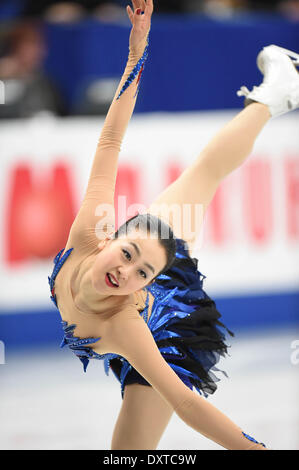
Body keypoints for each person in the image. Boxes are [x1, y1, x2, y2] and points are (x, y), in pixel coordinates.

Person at [48, 0, 299, 450]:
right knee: (201, 173)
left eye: (140, 272)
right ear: (108, 238)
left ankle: (276, 94)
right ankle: (275, 95)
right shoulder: (88, 234)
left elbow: (185, 403)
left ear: (148, 280)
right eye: (126, 255)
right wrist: (136, 50)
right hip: (150, 275)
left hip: (167, 331)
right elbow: (110, 139)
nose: (125, 272)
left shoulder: (125, 326)